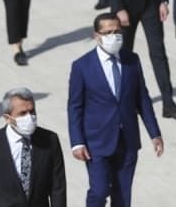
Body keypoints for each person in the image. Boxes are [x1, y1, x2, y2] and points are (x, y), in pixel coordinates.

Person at [67, 12, 164, 207]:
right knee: (99, 189)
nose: (114, 36)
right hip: (97, 142)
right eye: (108, 32)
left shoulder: (132, 61)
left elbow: (142, 99)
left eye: (117, 31)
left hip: (127, 140)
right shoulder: (82, 66)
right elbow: (74, 106)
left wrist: (155, 133)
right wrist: (77, 142)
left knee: (123, 194)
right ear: (96, 36)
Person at [0, 87, 66, 207]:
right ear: (7, 118)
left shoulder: (50, 140)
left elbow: (57, 187)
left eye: (32, 111)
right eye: (22, 113)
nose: (29, 117)